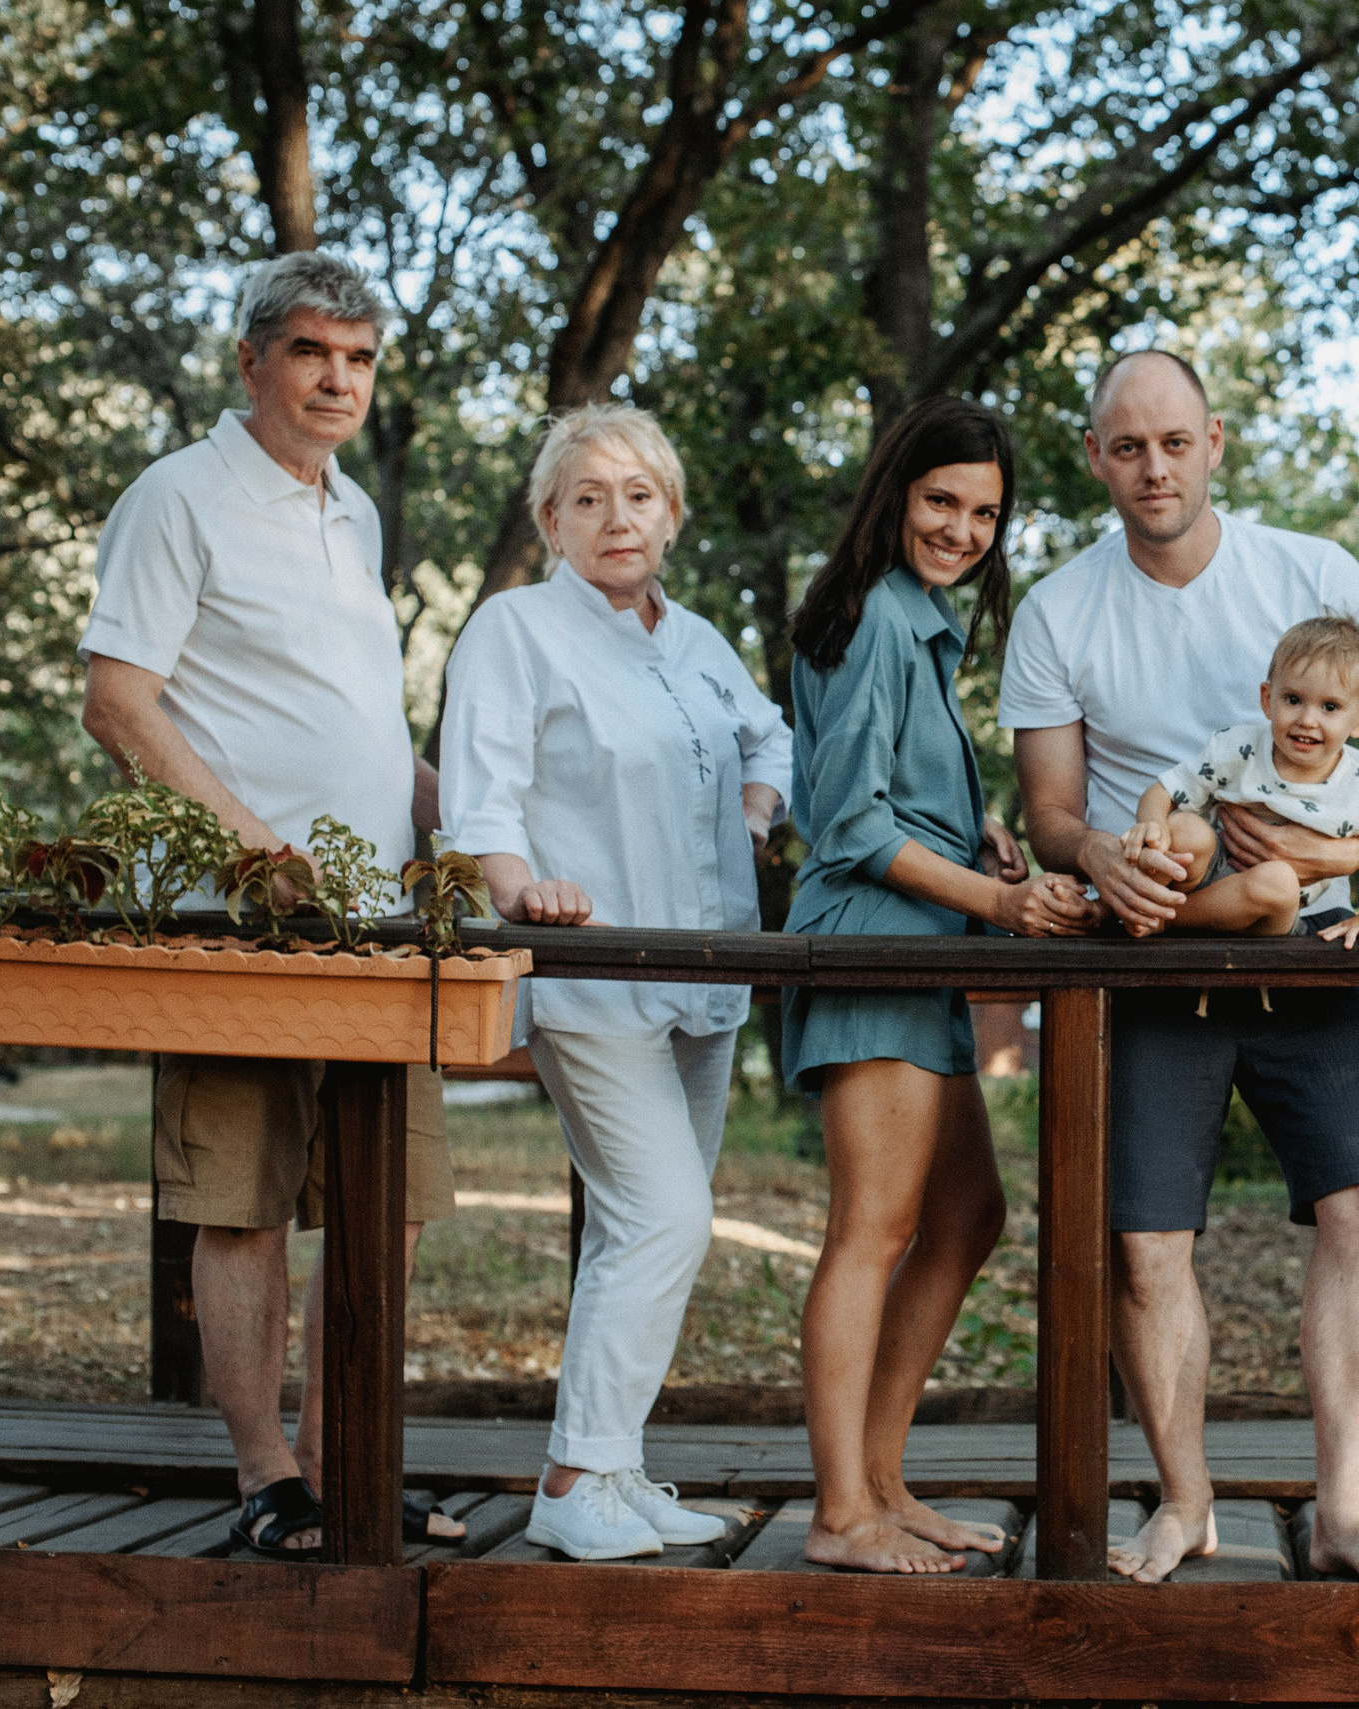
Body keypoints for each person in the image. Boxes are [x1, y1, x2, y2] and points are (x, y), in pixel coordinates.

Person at [1004, 350, 1359, 1586]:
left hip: (1312, 946)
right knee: (1146, 1242)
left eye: (1175, 443)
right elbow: (1048, 810)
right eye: (1128, 447)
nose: (1155, 468)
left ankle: (1348, 1511)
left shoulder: (1312, 572)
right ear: (1096, 456)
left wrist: (1330, 846)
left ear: (1215, 442)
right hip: (1150, 948)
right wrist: (1103, 849)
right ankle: (1183, 1500)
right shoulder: (1057, 608)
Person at [77, 250, 463, 1558]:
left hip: (377, 926)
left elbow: (365, 733)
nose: (337, 380)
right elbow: (118, 697)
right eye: (311, 353)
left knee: (384, 1198)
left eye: (358, 360)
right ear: (252, 361)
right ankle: (268, 1475)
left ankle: (352, 1462)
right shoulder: (178, 496)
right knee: (240, 1199)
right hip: (241, 921)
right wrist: (250, 849)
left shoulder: (351, 515)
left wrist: (478, 820)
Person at [440, 403, 791, 1560]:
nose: (615, 515)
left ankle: (619, 1464)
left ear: (671, 512)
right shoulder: (515, 628)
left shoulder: (695, 639)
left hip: (706, 970)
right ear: (551, 519)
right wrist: (518, 885)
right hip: (591, 975)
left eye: (637, 493)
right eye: (586, 497)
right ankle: (572, 1477)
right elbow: (477, 790)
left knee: (640, 1232)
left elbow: (769, 735)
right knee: (665, 1213)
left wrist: (756, 805)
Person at [783, 395, 1101, 1573]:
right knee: (871, 1229)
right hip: (877, 938)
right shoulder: (873, 616)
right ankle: (836, 1512)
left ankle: (878, 1477)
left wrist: (978, 833)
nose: (962, 528)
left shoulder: (918, 620)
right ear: (894, 495)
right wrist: (1006, 903)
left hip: (924, 937)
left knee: (968, 1215)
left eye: (984, 512)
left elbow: (890, 786)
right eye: (941, 501)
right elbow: (852, 822)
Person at [1123, 614, 1359, 948]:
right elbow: (1161, 790)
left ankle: (1151, 919)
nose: (1308, 720)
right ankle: (1133, 905)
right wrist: (1150, 827)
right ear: (1268, 699)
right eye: (1293, 700)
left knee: (1279, 879)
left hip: (1267, 909)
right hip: (1205, 878)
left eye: (1330, 707)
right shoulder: (1239, 748)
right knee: (1182, 828)